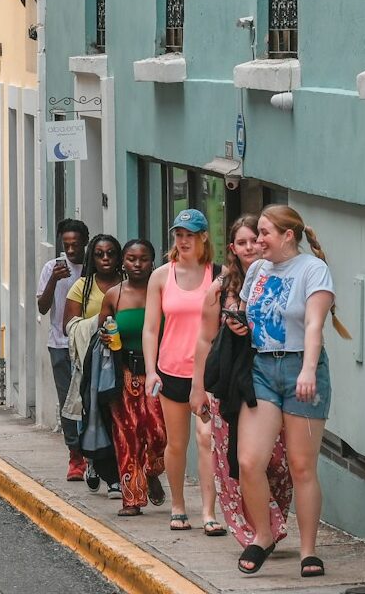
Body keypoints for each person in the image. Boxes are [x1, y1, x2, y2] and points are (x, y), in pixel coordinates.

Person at [235, 205, 348, 580]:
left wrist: (308, 370)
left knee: (302, 467)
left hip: (301, 367)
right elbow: (248, 313)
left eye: (265, 233)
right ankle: (264, 535)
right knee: (250, 461)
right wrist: (236, 323)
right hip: (262, 369)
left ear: (287, 236)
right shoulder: (257, 271)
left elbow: (315, 324)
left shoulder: (313, 270)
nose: (257, 240)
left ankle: (308, 551)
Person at [196, 216, 293, 553]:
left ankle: (273, 519)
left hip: (270, 383)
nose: (250, 247)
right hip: (231, 387)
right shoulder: (220, 290)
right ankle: (255, 531)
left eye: (255, 239)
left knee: (278, 461)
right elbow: (205, 340)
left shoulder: (279, 279)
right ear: (233, 249)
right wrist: (199, 390)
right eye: (242, 242)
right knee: (232, 460)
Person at [144, 209, 219, 534]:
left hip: (208, 373)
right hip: (171, 370)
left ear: (203, 237)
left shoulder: (218, 275)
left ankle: (209, 512)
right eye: (179, 234)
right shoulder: (161, 276)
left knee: (207, 440)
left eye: (190, 234)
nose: (183, 240)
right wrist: (151, 371)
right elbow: (150, 329)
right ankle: (178, 505)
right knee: (176, 444)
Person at [95, 239, 168, 515]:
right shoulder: (114, 294)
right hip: (123, 375)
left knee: (160, 434)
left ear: (153, 261)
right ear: (122, 262)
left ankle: (151, 472)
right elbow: (103, 329)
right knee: (127, 436)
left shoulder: (162, 291)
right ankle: (132, 498)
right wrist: (105, 335)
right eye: (131, 259)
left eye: (144, 259)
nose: (137, 264)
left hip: (157, 374)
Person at [64, 235, 123, 494]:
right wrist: (98, 323)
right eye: (100, 254)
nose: (106, 258)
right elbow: (70, 326)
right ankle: (93, 461)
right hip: (93, 362)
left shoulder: (130, 283)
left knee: (118, 418)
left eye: (111, 253)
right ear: (92, 258)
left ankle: (119, 475)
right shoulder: (82, 287)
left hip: (124, 359)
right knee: (92, 415)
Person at [37, 219, 89, 480]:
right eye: (66, 245)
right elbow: (43, 307)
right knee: (68, 402)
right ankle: (75, 456)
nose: (70, 250)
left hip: (90, 345)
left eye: (75, 245)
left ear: (85, 243)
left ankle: (94, 451)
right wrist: (53, 282)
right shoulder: (52, 268)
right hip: (60, 344)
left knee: (91, 399)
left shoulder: (93, 268)